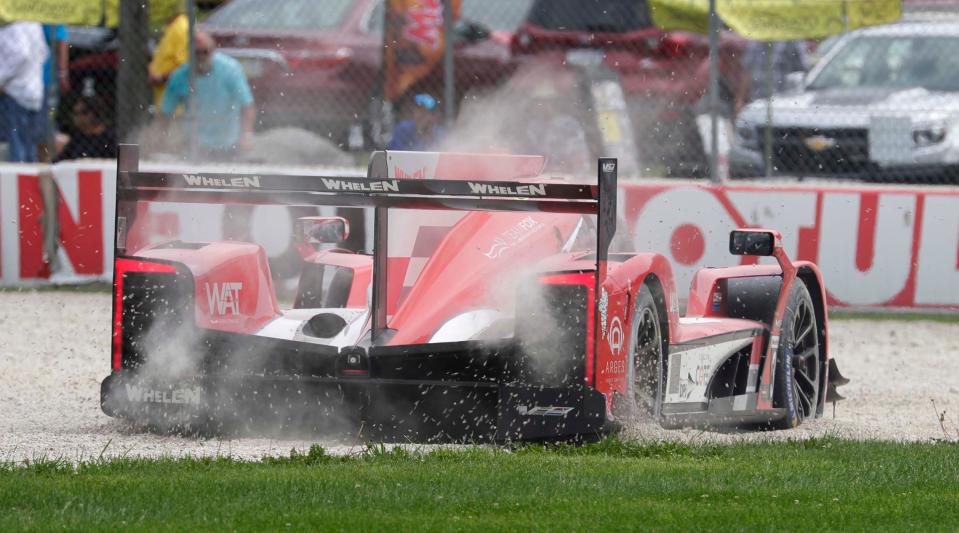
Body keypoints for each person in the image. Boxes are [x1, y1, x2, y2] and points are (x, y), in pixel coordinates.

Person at [158, 31, 255, 159]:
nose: (201, 56)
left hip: (228, 145)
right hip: (193, 146)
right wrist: (161, 140)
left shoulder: (230, 70)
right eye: (196, 53)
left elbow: (247, 105)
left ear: (213, 50)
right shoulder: (179, 77)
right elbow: (165, 112)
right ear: (189, 53)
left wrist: (246, 135)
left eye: (205, 52)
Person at [0, 22, 48, 162]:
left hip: (15, 92)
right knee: (29, 145)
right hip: (33, 91)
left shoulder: (12, 26)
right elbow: (44, 53)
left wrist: (2, 79)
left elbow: (21, 55)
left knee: (17, 146)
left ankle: (19, 181)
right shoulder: (33, 24)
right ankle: (28, 181)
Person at [736, 40, 809, 111]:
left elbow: (804, 71)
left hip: (784, 103)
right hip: (757, 100)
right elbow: (747, 71)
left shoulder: (792, 40)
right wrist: (740, 100)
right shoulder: (755, 41)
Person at [37, 24, 69, 162]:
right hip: (38, 82)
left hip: (45, 82)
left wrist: (62, 72)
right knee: (43, 128)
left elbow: (62, 40)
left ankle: (50, 163)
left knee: (47, 128)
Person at [54, 95, 116, 162]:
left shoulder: (110, 137)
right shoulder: (78, 138)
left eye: (81, 113)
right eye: (75, 113)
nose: (76, 117)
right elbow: (60, 160)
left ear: (93, 114)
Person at [149, 11, 189, 110]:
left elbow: (187, 68)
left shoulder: (181, 29)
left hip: (177, 108)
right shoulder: (171, 27)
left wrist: (160, 78)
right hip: (165, 105)